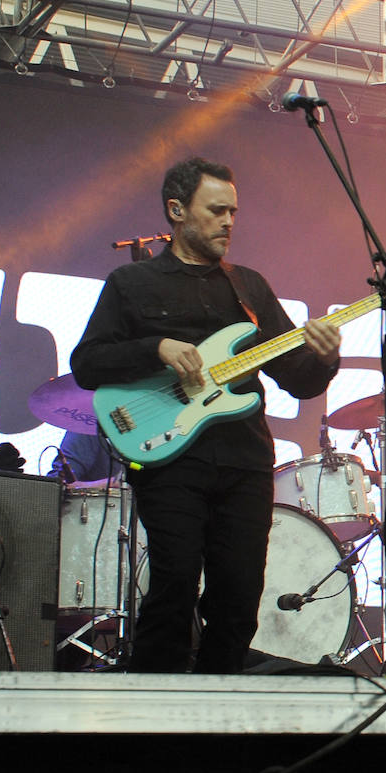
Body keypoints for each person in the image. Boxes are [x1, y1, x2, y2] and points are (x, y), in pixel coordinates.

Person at [71, 157, 342, 673]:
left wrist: (326, 356)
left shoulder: (250, 289)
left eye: (234, 212)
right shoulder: (132, 283)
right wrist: (157, 347)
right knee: (173, 586)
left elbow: (300, 380)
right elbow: (86, 364)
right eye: (216, 210)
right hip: (170, 459)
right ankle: (156, 722)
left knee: (239, 599)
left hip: (244, 461)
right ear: (177, 210)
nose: (229, 222)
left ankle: (216, 720)